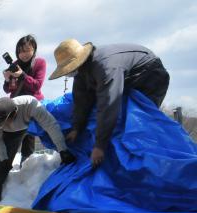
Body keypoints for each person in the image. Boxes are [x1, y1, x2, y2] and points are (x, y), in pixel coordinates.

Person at [49, 39, 170, 167]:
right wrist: (76, 128)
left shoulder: (105, 67)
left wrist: (100, 146)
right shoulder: (81, 72)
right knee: (115, 119)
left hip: (150, 75)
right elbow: (81, 101)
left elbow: (109, 104)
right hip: (129, 78)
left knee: (140, 122)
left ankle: (149, 162)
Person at [0, 96, 76, 204]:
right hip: (11, 133)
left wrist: (63, 150)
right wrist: (4, 159)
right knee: (0, 162)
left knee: (53, 131)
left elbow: (50, 124)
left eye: (5, 121)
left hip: (31, 123)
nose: (2, 124)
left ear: (14, 113)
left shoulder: (30, 104)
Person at [2, 35, 47, 165]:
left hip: (32, 104)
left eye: (28, 50)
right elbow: (7, 89)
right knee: (11, 137)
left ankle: (26, 163)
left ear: (34, 50)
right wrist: (7, 78)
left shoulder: (40, 63)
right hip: (16, 105)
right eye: (21, 51)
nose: (24, 54)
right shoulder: (14, 64)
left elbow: (37, 85)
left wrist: (22, 75)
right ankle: (6, 163)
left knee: (29, 136)